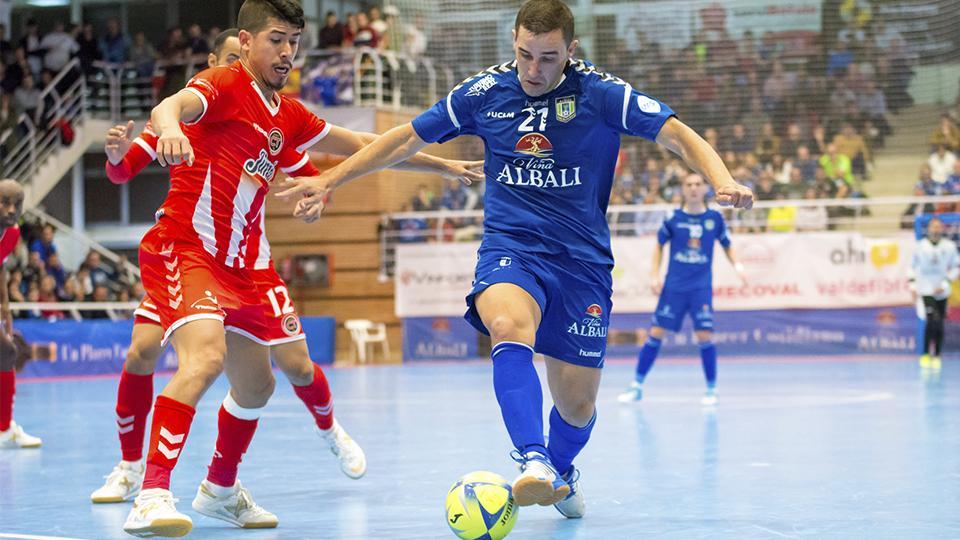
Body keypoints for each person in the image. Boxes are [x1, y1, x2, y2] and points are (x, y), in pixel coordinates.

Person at [278, 0, 753, 519]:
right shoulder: (485, 92)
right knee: (506, 323)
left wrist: (721, 179)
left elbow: (677, 134)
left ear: (570, 50)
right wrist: (330, 178)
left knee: (576, 405)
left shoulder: (601, 94)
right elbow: (403, 139)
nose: (534, 70)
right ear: (513, 41)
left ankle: (561, 469)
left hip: (582, 264)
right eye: (525, 54)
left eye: (548, 58)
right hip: (512, 248)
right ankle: (533, 460)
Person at [121, 4, 482, 536]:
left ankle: (219, 490)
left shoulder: (286, 113)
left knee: (258, 387)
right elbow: (174, 105)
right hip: (188, 248)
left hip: (244, 267)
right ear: (245, 42)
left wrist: (439, 161)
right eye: (276, 40)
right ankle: (150, 494)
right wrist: (171, 125)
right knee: (204, 360)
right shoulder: (223, 82)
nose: (287, 52)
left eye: (294, 41)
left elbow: (366, 146)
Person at [93, 27, 368, 507]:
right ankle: (134, 471)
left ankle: (295, 447)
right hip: (187, 252)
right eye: (230, 62)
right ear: (218, 63)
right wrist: (117, 156)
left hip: (248, 264)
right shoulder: (201, 99)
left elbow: (312, 175)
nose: (238, 72)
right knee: (145, 352)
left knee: (282, 372)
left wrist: (319, 196)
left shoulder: (272, 119)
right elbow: (124, 169)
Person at [617, 174, 746, 405]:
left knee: (705, 335)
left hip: (700, 289)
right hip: (674, 288)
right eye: (689, 185)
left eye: (698, 184)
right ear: (683, 190)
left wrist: (738, 266)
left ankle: (711, 389)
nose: (694, 188)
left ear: (705, 188)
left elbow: (728, 245)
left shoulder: (714, 218)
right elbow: (658, 246)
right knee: (656, 333)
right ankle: (636, 386)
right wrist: (654, 275)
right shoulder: (673, 218)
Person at [0, 179, 42, 449]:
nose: (11, 210)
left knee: (7, 353)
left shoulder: (12, 234)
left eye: (18, 204)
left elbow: (0, 268)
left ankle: (4, 428)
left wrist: (5, 307)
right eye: (5, 202)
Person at [909, 217, 959, 370]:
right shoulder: (920, 247)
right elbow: (912, 267)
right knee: (930, 320)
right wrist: (912, 286)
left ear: (942, 229)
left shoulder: (949, 247)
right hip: (926, 289)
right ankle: (925, 354)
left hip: (942, 290)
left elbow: (956, 267)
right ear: (928, 228)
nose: (935, 229)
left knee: (939, 323)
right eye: (933, 226)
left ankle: (936, 355)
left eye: (938, 227)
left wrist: (945, 283)